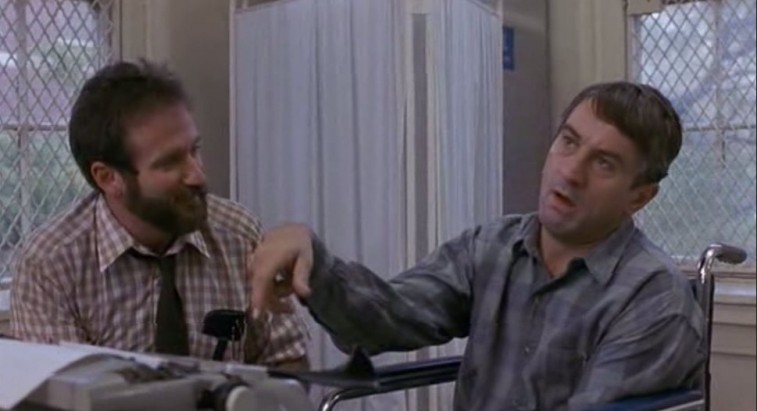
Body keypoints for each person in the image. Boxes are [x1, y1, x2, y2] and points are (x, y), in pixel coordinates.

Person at [247, 82, 704, 409]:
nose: (570, 171)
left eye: (603, 163)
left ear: (639, 196)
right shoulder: (492, 247)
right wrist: (315, 262)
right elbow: (389, 316)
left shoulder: (654, 300)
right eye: (568, 142)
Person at [10, 60, 309, 369]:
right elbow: (58, 390)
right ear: (108, 178)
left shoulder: (238, 234)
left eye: (194, 150)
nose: (198, 175)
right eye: (169, 163)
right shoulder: (50, 266)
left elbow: (287, 360)